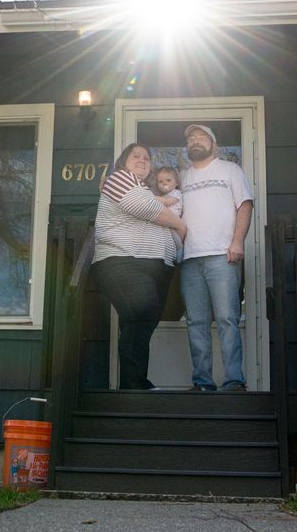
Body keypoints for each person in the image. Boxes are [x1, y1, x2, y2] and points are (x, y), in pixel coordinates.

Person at [92, 143, 189, 390]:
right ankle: (135, 386)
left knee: (139, 322)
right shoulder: (119, 179)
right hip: (123, 262)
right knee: (141, 314)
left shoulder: (145, 189)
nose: (142, 160)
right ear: (123, 162)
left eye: (147, 157)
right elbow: (146, 208)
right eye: (136, 156)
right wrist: (180, 226)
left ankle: (132, 386)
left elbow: (152, 208)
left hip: (155, 268)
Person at [179, 124, 255, 392]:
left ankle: (234, 381)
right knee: (196, 322)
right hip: (189, 259)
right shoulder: (183, 177)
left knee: (227, 319)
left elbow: (245, 204)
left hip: (223, 256)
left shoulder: (230, 170)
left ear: (214, 144)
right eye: (190, 138)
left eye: (201, 136)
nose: (194, 141)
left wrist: (237, 242)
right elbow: (160, 203)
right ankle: (202, 382)